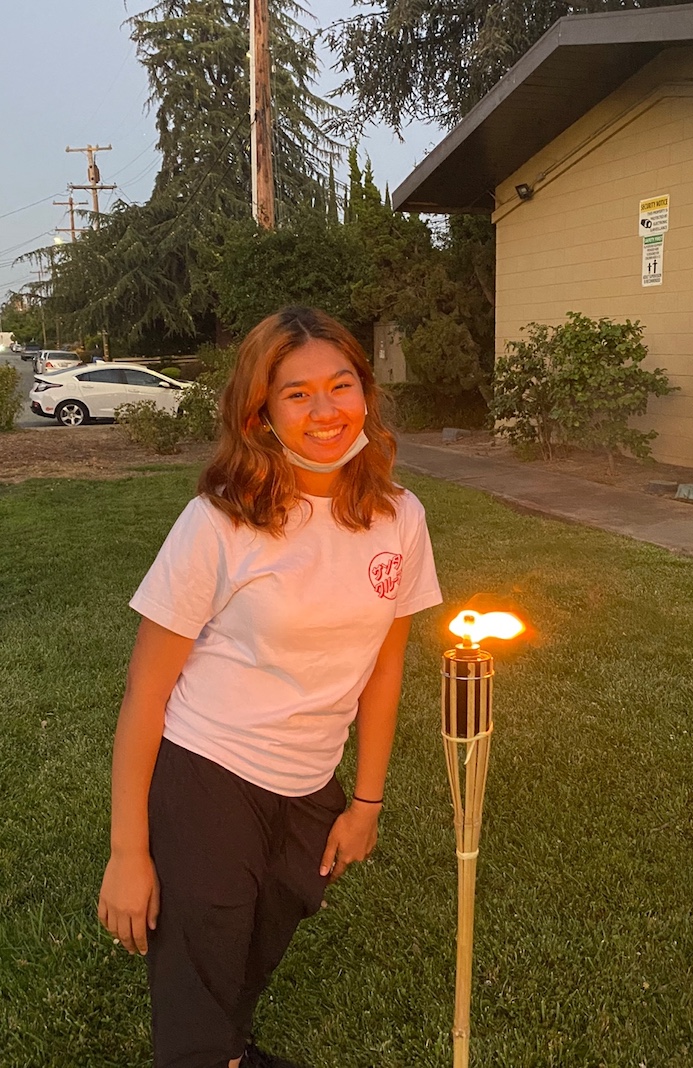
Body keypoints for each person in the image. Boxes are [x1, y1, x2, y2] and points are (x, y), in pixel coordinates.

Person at [97, 306, 442, 1068]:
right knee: (198, 989)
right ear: (261, 412)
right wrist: (128, 851)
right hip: (209, 775)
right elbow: (146, 692)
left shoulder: (399, 518)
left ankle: (228, 1052)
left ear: (365, 393)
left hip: (310, 787)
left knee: (248, 961)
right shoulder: (219, 522)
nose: (325, 410)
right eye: (297, 394)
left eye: (340, 385)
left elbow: (385, 668)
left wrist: (367, 803)